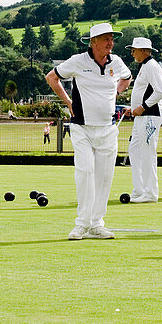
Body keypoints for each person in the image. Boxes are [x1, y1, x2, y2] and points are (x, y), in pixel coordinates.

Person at [46, 22, 133, 240]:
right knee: (85, 172)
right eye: (106, 39)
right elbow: (51, 77)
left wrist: (116, 93)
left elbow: (127, 77)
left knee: (104, 177)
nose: (110, 43)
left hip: (107, 128)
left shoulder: (118, 62)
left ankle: (96, 224)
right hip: (81, 127)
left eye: (112, 38)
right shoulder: (78, 61)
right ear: (93, 42)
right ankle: (81, 224)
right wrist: (67, 101)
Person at [126, 36, 162, 203]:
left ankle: (150, 193)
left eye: (134, 50)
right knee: (134, 150)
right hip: (141, 116)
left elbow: (160, 91)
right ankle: (140, 189)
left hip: (150, 115)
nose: (132, 53)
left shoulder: (151, 66)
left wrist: (142, 107)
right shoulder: (144, 66)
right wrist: (135, 108)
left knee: (148, 152)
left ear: (144, 51)